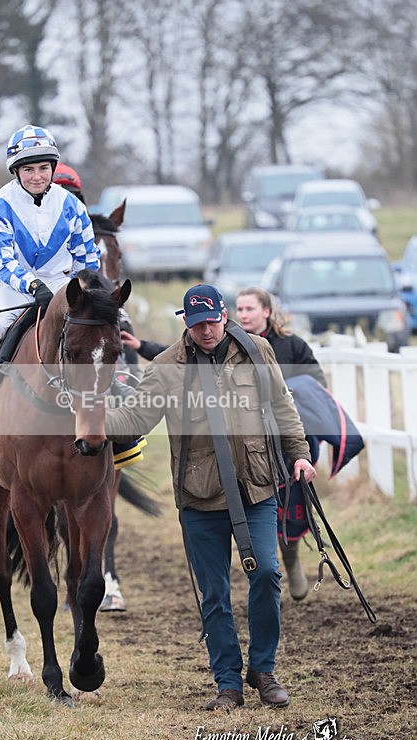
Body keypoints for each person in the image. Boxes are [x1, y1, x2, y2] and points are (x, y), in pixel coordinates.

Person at [105, 285, 315, 711]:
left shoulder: (256, 350)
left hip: (256, 486)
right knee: (214, 594)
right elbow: (138, 418)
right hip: (200, 499)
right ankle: (228, 683)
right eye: (197, 323)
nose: (206, 330)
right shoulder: (166, 367)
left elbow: (281, 405)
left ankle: (264, 669)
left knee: (267, 574)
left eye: (212, 321)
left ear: (224, 315)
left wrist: (300, 455)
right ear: (186, 322)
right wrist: (94, 420)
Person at [0, 125, 101, 414]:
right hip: (12, 285)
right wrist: (33, 286)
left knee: (101, 322)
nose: (37, 176)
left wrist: (82, 289)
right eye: (29, 169)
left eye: (44, 168)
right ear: (16, 172)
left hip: (63, 284)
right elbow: (0, 260)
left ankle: (113, 379)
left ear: (53, 168)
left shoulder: (72, 205)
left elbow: (87, 257)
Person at [235, 287, 326, 601]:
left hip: (287, 442)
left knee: (290, 507)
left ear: (266, 312)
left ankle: (292, 563)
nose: (243, 314)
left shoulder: (292, 346)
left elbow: (317, 383)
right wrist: (143, 346)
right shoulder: (229, 345)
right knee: (256, 508)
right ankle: (267, 570)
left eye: (249, 308)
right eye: (239, 309)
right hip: (249, 444)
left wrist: (285, 394)